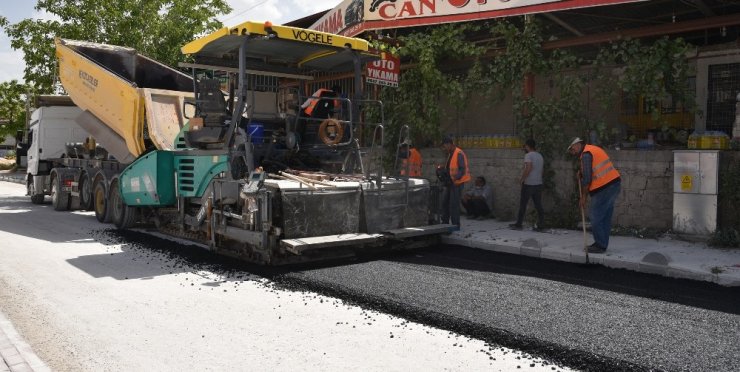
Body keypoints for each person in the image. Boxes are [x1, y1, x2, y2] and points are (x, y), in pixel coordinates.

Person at [567, 137, 621, 253]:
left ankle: (600, 245)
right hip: (613, 184)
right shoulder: (592, 149)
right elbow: (591, 170)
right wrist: (580, 173)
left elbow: (587, 179)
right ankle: (602, 244)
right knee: (605, 217)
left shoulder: (586, 155)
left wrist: (583, 198)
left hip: (604, 187)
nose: (572, 153)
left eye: (572, 149)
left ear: (577, 145)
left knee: (595, 217)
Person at [510, 139, 545, 231]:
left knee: (523, 204)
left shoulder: (528, 155)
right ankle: (541, 224)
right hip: (538, 183)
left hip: (529, 183)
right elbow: (542, 170)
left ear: (528, 146)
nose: (525, 148)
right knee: (538, 205)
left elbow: (528, 168)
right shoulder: (540, 156)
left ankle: (518, 224)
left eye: (525, 146)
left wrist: (522, 179)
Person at [440, 136, 471, 229]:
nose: (444, 148)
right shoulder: (450, 153)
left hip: (457, 183)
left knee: (454, 204)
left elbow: (462, 169)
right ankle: (445, 222)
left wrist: (455, 178)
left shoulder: (459, 153)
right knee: (445, 203)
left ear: (449, 144)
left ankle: (455, 225)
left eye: (444, 146)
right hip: (451, 182)